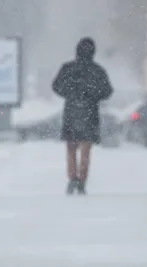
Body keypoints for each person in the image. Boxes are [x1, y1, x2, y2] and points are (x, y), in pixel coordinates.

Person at [52, 37, 113, 195]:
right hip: (90, 112)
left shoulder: (68, 68)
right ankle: (82, 179)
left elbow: (56, 86)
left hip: (71, 111)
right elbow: (107, 91)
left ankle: (72, 177)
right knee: (86, 148)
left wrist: (70, 94)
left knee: (71, 147)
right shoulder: (97, 71)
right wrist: (92, 95)